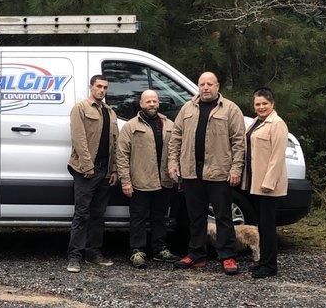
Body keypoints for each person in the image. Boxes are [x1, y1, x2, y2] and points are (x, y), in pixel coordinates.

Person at [168, 71, 246, 275]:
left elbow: (239, 142)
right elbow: (176, 137)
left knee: (223, 217)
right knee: (195, 217)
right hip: (192, 172)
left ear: (217, 86)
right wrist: (173, 163)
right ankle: (196, 255)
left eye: (209, 84)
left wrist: (236, 168)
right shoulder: (187, 108)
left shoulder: (230, 109)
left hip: (219, 172)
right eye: (202, 84)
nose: (205, 88)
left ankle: (227, 256)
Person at [117, 90, 180, 268]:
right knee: (138, 218)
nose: (152, 104)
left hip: (164, 181)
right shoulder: (130, 126)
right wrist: (126, 181)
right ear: (141, 104)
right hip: (140, 181)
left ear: (158, 103)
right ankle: (137, 251)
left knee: (160, 218)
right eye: (148, 101)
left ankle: (160, 249)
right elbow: (122, 155)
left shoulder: (169, 124)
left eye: (154, 101)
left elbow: (176, 149)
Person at [66, 74, 119, 273]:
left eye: (105, 87)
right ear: (91, 87)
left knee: (98, 215)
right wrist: (88, 166)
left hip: (105, 170)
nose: (102, 91)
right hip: (85, 170)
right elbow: (78, 139)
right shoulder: (80, 108)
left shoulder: (110, 112)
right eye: (99, 86)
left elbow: (114, 142)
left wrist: (113, 169)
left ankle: (93, 252)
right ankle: (74, 256)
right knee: (82, 214)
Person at [243, 87, 288, 278]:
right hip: (256, 182)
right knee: (261, 225)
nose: (261, 107)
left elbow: (277, 157)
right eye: (257, 104)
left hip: (268, 186)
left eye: (264, 104)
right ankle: (263, 261)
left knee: (268, 227)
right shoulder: (256, 122)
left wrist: (268, 183)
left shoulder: (277, 124)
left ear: (272, 104)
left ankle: (270, 267)